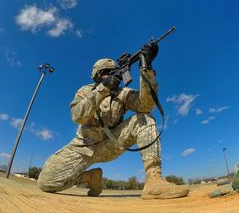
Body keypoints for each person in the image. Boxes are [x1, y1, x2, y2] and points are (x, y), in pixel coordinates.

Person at [37, 43, 189, 199]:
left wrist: (146, 68)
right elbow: (77, 116)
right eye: (106, 73)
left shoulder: (122, 93)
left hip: (110, 144)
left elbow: (146, 105)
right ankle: (90, 177)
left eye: (113, 72)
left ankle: (154, 180)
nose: (111, 76)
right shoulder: (85, 91)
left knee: (143, 116)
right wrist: (103, 88)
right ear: (97, 75)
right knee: (45, 182)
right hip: (82, 147)